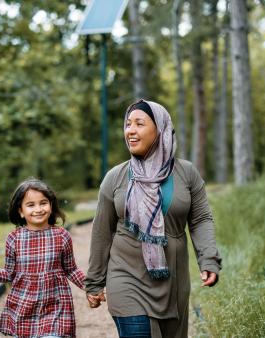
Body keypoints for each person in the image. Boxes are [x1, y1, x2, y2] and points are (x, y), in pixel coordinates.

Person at [85, 99, 222, 338]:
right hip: (127, 279)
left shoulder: (186, 173)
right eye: (128, 124)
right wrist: (95, 282)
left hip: (173, 286)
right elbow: (102, 232)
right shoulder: (115, 178)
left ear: (160, 129)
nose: (130, 130)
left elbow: (200, 219)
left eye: (139, 123)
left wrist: (209, 259)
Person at [0, 178, 85, 338]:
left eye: (43, 203)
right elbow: (10, 273)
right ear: (20, 211)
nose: (38, 209)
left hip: (55, 306)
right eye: (31, 205)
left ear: (51, 205)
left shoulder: (61, 236)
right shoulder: (15, 238)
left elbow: (71, 269)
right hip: (24, 306)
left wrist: (91, 286)